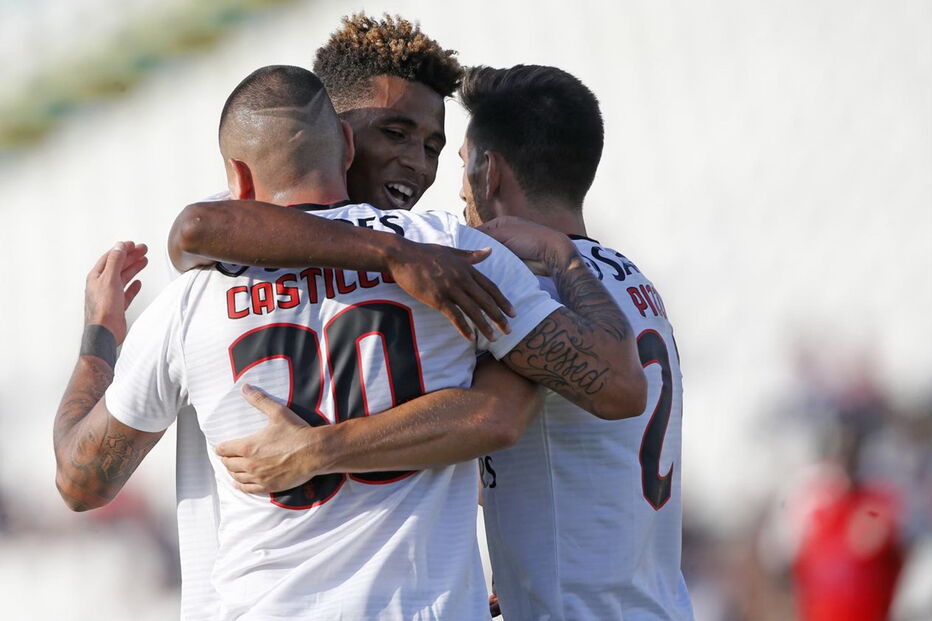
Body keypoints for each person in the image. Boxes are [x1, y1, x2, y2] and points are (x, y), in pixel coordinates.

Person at [54, 65, 645, 618]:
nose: (416, 162)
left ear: (236, 175)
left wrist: (99, 338)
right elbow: (610, 387)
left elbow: (81, 482)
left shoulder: (190, 298)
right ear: (345, 143)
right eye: (398, 134)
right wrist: (561, 256)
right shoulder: (452, 254)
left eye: (433, 147)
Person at [456, 64, 694, 620]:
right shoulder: (631, 278)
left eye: (463, 163)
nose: (459, 187)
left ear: (490, 172)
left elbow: (491, 418)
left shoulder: (524, 278)